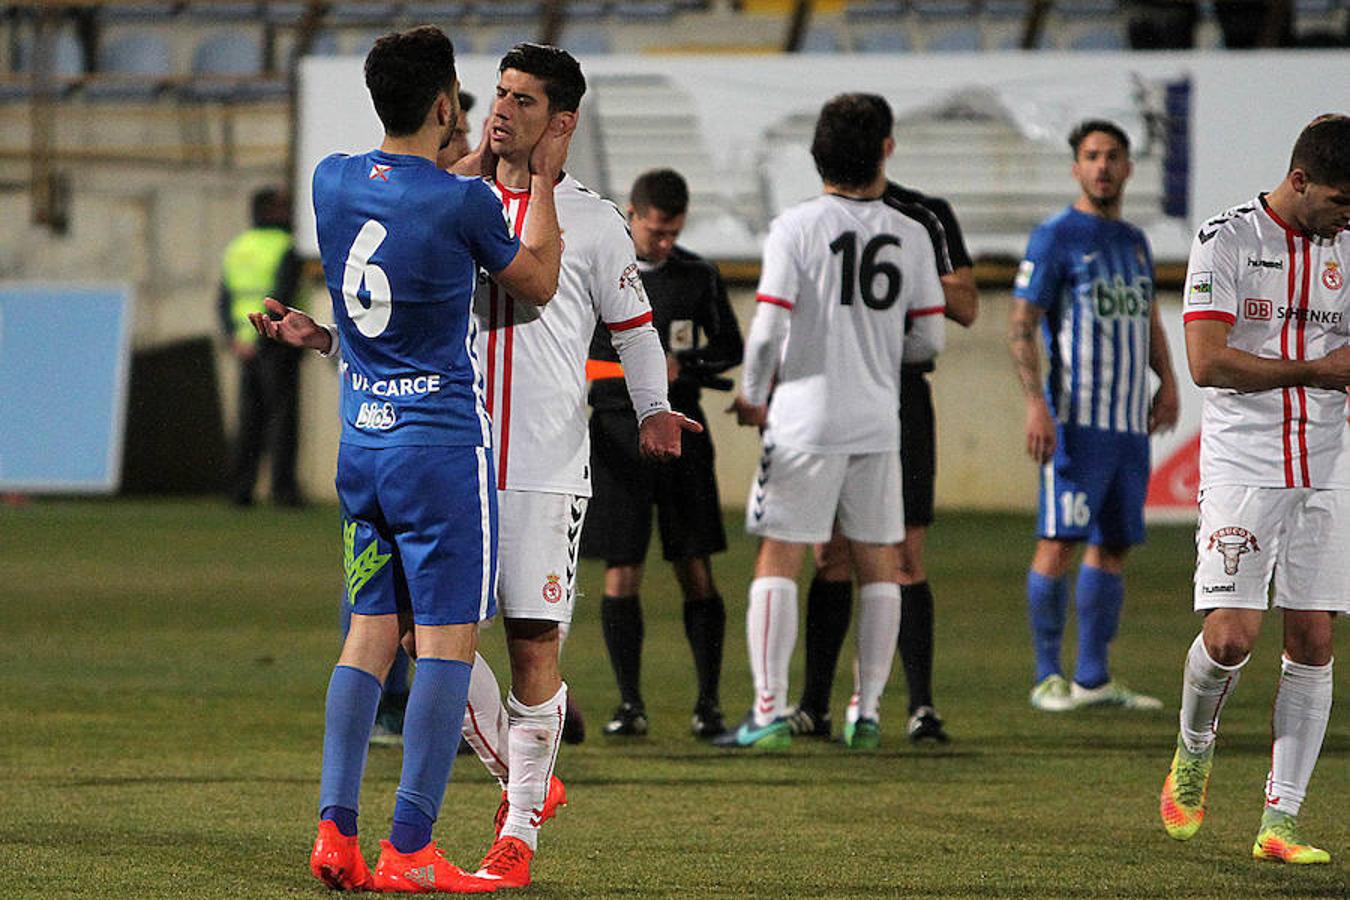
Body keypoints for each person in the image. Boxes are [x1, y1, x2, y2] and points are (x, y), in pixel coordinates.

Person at [251, 26, 568, 892]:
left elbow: (420, 196)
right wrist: (538, 179)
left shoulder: (333, 179)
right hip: (439, 454)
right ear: (443, 105)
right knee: (447, 649)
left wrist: (459, 158)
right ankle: (411, 848)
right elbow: (536, 281)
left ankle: (335, 835)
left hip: (363, 449)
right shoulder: (462, 205)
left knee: (365, 640)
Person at [715, 93, 945, 751]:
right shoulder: (911, 233)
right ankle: (866, 713)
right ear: (886, 151)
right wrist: (875, 355)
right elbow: (929, 343)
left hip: (804, 420)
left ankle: (767, 711)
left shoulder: (795, 228)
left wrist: (755, 395)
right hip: (879, 420)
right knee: (882, 562)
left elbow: (767, 332)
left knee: (779, 557)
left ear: (816, 154)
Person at [1159, 114, 1350, 865]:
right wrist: (1314, 371)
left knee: (1314, 638)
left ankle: (1283, 821)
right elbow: (1207, 362)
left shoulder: (1348, 243)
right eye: (1339, 199)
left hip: (1332, 463)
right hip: (1247, 461)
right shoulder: (1227, 240)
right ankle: (1194, 745)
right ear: (1299, 181)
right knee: (1232, 637)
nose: (1348, 214)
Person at [789, 177, 977, 745]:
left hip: (900, 394)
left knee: (903, 554)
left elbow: (966, 303)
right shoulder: (812, 218)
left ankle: (920, 707)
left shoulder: (924, 214)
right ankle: (815, 706)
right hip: (836, 393)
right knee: (831, 553)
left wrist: (910, 281)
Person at [1009, 119, 1180, 713]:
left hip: (1128, 425)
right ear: (1075, 168)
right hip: (1076, 421)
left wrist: (1169, 381)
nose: (1102, 166)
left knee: (1113, 545)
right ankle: (1046, 677)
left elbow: (1150, 318)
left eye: (1112, 156)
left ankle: (1093, 677)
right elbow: (1021, 326)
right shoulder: (1055, 236)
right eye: (1091, 156)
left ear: (1129, 168)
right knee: (1058, 540)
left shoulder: (1134, 240)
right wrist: (1037, 403)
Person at [581, 168, 744, 740]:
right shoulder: (600, 268)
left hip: (682, 434)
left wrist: (688, 367)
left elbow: (729, 346)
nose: (665, 243)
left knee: (694, 565)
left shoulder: (697, 275)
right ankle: (630, 705)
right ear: (632, 215)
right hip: (617, 436)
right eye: (656, 232)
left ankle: (709, 705)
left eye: (674, 233)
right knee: (622, 570)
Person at [218, 185, 304, 508]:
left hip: (244, 346)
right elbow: (281, 298)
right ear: (272, 212)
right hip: (276, 344)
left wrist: (236, 339)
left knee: (249, 420)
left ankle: (241, 489)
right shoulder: (287, 247)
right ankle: (283, 491)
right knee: (281, 419)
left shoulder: (237, 247)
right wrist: (261, 338)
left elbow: (224, 300)